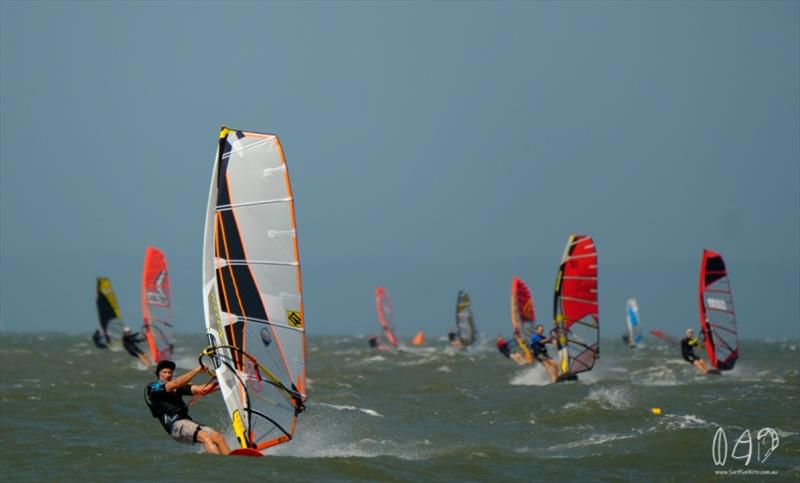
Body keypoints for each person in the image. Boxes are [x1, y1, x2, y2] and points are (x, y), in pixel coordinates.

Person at [145, 360, 231, 455]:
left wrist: (225, 382)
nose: (168, 375)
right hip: (175, 425)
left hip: (187, 422)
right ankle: (218, 464)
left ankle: (230, 462)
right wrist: (197, 369)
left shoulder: (177, 387)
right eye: (164, 372)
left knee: (218, 437)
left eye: (170, 372)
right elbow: (174, 384)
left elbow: (201, 390)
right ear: (158, 374)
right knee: (204, 436)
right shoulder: (153, 387)